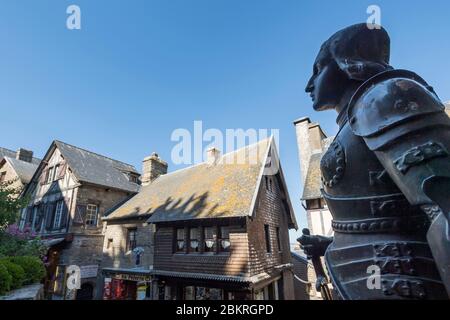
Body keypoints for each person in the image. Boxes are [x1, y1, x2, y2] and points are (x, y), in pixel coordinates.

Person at [298, 23, 450, 300]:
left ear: (347, 62)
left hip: (406, 282)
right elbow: (395, 223)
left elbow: (441, 207)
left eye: (318, 69)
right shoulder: (355, 120)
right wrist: (329, 245)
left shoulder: (386, 99)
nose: (309, 84)